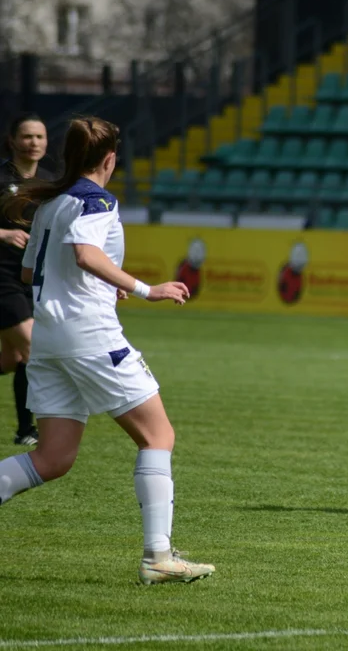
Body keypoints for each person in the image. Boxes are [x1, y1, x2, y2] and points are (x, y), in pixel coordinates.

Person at [0, 116, 216, 584]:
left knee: (51, 459)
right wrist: (144, 288)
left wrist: (99, 286)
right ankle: (158, 557)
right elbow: (84, 254)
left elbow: (28, 273)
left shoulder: (52, 202)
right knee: (157, 437)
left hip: (51, 341)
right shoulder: (96, 200)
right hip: (90, 338)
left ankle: (160, 556)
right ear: (111, 159)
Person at [0, 113, 58, 446]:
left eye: (39, 136)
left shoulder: (51, 183)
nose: (33, 142)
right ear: (12, 140)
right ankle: (26, 431)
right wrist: (4, 234)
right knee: (33, 349)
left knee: (11, 360)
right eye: (26, 136)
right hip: (1, 276)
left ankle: (25, 429)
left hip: (32, 278)